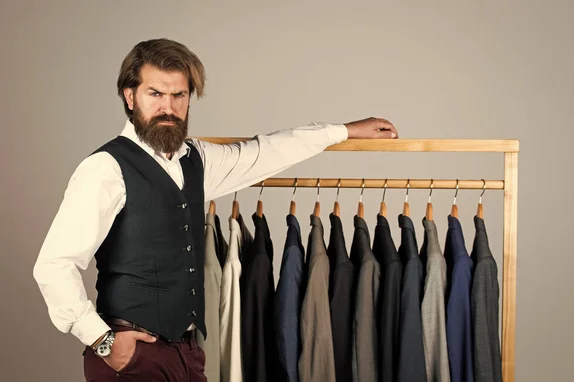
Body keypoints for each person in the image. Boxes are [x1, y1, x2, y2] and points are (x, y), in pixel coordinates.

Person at [33, 38, 398, 381]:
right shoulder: (106, 168)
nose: (168, 107)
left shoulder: (198, 159)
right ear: (130, 97)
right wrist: (103, 341)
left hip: (188, 354)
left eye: (179, 95)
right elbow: (55, 265)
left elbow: (266, 152)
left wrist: (344, 131)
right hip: (130, 356)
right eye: (155, 94)